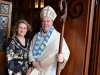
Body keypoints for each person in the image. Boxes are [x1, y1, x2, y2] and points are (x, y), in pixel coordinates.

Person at [29, 6, 70, 75]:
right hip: (35, 69)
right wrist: (34, 63)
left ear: (52, 23)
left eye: (48, 21)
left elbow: (66, 52)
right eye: (43, 21)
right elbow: (30, 50)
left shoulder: (58, 36)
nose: (45, 23)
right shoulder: (36, 36)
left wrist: (62, 58)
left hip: (49, 70)